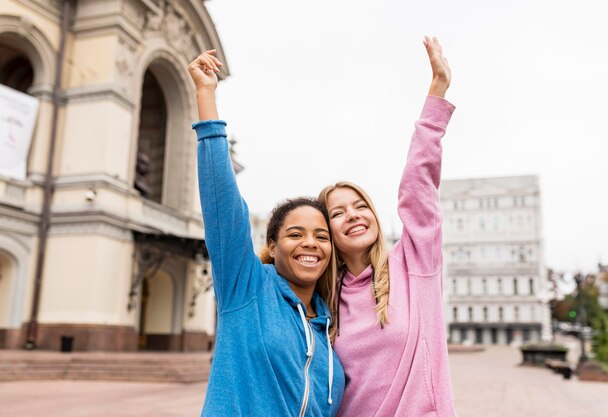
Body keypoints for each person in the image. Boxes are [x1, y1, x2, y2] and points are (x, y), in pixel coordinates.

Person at [189, 50, 344, 417]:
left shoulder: (329, 327)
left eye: (322, 237)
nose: (310, 243)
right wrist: (206, 99)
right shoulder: (247, 288)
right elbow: (223, 209)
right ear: (272, 246)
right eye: (295, 234)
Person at [318, 36, 457, 417]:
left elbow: (417, 189)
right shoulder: (325, 298)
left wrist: (437, 94)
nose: (354, 215)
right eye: (339, 212)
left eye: (361, 206)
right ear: (326, 233)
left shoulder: (414, 265)